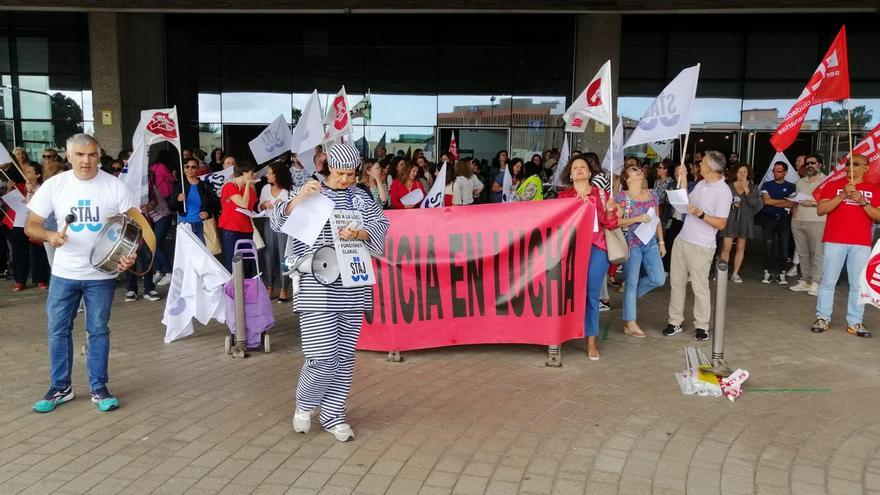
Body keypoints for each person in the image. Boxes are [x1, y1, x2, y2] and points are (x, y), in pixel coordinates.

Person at [270, 143, 390, 442]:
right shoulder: (310, 191)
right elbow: (277, 222)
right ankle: (305, 403)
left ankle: (334, 414)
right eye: (340, 173)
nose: (346, 180)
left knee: (344, 357)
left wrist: (361, 233)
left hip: (353, 284)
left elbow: (381, 225)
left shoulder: (361, 197)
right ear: (328, 168)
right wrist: (298, 198)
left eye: (351, 174)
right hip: (315, 286)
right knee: (322, 356)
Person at [25, 133, 137, 413]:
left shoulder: (114, 186)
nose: (86, 161)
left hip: (100, 275)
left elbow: (134, 228)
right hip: (64, 273)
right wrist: (50, 235)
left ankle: (99, 388)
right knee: (57, 330)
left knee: (97, 331)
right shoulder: (56, 185)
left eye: (92, 155)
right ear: (69, 155)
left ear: (99, 155)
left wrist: (129, 256)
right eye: (80, 155)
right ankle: (61, 388)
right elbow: (31, 225)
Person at [663, 151, 732, 341]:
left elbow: (721, 223)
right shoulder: (702, 183)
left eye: (701, 163)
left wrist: (700, 214)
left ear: (709, 168)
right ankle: (674, 321)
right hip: (683, 239)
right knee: (676, 283)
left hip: (702, 245)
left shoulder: (723, 191)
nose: (698, 165)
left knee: (700, 287)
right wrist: (683, 178)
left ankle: (702, 325)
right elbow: (687, 203)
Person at [811, 154, 880, 337]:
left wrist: (862, 200)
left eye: (856, 164)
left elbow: (878, 216)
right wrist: (842, 195)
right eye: (848, 164)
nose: (850, 167)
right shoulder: (833, 185)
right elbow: (821, 210)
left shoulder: (873, 189)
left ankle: (855, 322)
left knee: (857, 284)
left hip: (861, 242)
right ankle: (823, 317)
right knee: (828, 281)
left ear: (866, 168)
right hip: (834, 239)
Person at [556, 157, 618, 360]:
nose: (580, 169)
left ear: (590, 173)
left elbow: (611, 224)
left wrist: (610, 211)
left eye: (583, 167)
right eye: (576, 167)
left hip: (597, 247)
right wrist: (574, 205)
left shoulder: (602, 194)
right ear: (570, 174)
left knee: (591, 293)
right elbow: (556, 222)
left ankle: (591, 341)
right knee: (568, 292)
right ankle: (562, 333)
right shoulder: (563, 196)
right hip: (571, 249)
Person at [615, 165, 666, 338]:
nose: (638, 171)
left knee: (659, 278)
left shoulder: (652, 194)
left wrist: (662, 242)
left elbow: (657, 220)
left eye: (639, 169)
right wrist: (636, 218)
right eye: (633, 170)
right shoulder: (622, 197)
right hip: (632, 244)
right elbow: (615, 222)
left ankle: (630, 298)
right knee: (632, 281)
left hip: (650, 242)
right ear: (627, 178)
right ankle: (630, 322)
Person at [789, 154, 826, 296]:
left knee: (816, 253)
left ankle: (816, 282)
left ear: (820, 164)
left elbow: (829, 201)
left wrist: (814, 203)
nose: (810, 165)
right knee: (802, 253)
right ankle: (805, 280)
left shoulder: (827, 181)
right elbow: (797, 201)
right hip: (798, 220)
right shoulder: (800, 182)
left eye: (813, 163)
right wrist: (794, 217)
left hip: (818, 221)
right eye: (808, 163)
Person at [719, 164, 762, 283]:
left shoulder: (754, 187)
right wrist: (732, 204)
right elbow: (721, 203)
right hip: (731, 218)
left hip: (745, 218)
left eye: (744, 172)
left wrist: (746, 189)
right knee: (726, 247)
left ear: (748, 174)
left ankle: (735, 273)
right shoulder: (728, 187)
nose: (742, 174)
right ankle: (722, 272)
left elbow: (754, 203)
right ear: (735, 173)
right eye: (739, 172)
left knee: (740, 246)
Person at [259, 160, 293, 302]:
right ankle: (269, 286)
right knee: (269, 256)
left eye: (270, 173)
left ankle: (284, 288)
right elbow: (259, 208)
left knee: (284, 257)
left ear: (278, 175)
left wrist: (283, 207)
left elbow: (295, 210)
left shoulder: (290, 190)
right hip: (269, 223)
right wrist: (264, 205)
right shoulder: (265, 189)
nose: (267, 175)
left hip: (285, 225)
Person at [759, 161, 796, 284]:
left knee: (784, 248)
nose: (776, 172)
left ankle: (782, 273)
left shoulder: (791, 186)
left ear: (785, 172)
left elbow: (791, 204)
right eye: (774, 170)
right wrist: (783, 201)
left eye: (779, 170)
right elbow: (767, 202)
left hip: (784, 220)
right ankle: (768, 272)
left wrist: (774, 201)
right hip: (768, 219)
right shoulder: (767, 185)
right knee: (768, 247)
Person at [218, 161, 258, 270]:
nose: (253, 176)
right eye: (251, 173)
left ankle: (248, 284)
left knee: (248, 259)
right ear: (244, 173)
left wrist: (250, 186)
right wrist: (249, 184)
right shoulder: (229, 186)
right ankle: (232, 285)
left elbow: (251, 205)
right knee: (232, 259)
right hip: (231, 227)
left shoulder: (248, 188)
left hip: (246, 227)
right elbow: (243, 203)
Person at [168, 157, 217, 244]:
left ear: (198, 169)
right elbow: (171, 207)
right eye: (187, 167)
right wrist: (177, 199)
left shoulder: (204, 185)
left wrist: (207, 212)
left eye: (193, 167)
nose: (190, 169)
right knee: (186, 254)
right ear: (184, 169)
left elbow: (213, 203)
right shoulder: (179, 186)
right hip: (184, 224)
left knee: (202, 253)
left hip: (201, 224)